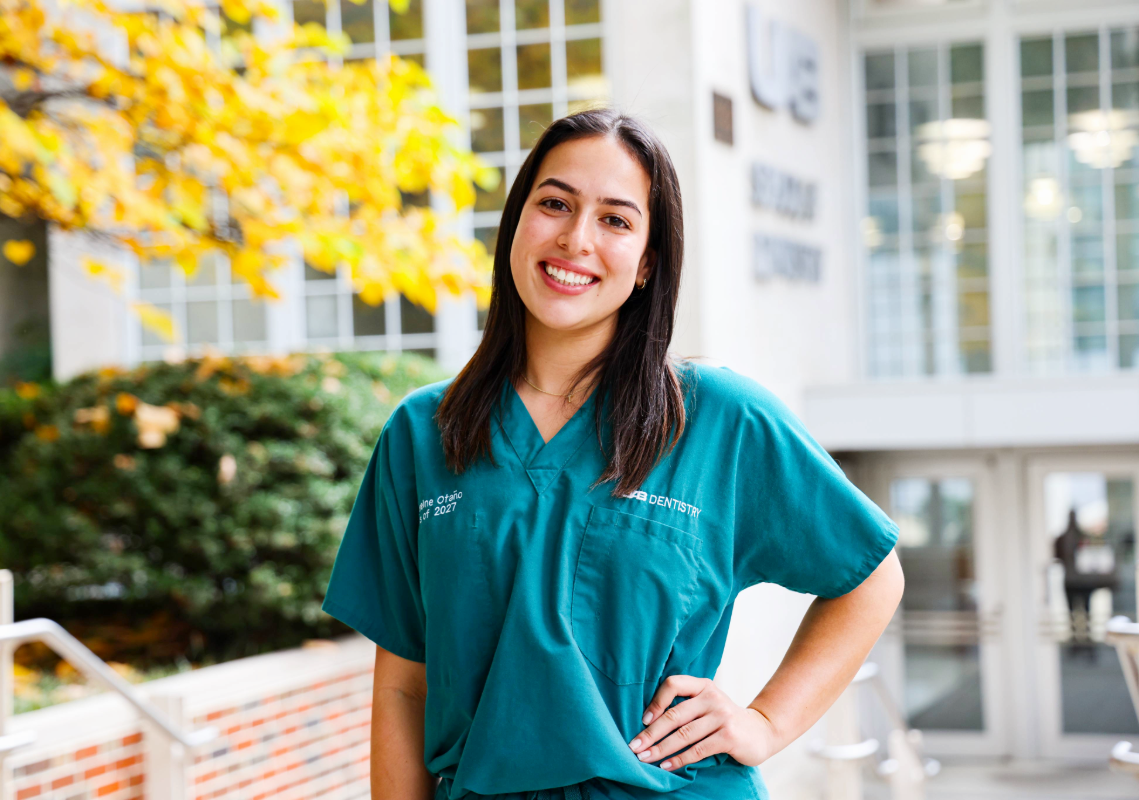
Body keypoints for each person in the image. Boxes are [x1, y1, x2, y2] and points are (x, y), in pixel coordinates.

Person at [321, 108, 904, 800]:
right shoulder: (424, 432)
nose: (575, 239)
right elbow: (403, 685)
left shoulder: (719, 418)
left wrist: (766, 722)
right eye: (555, 204)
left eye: (616, 220)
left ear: (648, 261)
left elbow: (870, 577)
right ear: (516, 222)